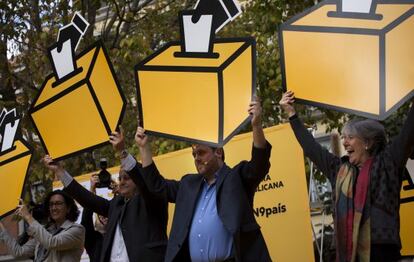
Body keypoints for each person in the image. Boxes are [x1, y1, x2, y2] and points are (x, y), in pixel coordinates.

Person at [123, 98, 272, 261]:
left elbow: (259, 164)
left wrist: (256, 125)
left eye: (201, 153)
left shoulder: (235, 177)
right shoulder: (188, 184)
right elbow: (157, 186)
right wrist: (144, 147)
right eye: (194, 155)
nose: (196, 158)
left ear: (218, 152)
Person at [280, 91, 414, 262]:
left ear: (367, 143)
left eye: (350, 137)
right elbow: (311, 148)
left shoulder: (388, 163)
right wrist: (292, 114)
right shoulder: (338, 170)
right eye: (343, 137)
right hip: (348, 255)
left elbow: (409, 132)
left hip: (382, 253)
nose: (344, 142)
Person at [43, 129, 169, 262]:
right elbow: (88, 199)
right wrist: (60, 171)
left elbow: (144, 183)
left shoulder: (151, 200)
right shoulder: (116, 204)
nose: (122, 182)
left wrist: (122, 152)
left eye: (127, 178)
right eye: (120, 178)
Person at [0, 190, 85, 262]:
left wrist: (28, 216)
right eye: (51, 204)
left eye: (58, 203)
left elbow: (52, 243)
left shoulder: (77, 230)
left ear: (68, 208)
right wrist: (1, 225)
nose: (54, 208)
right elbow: (18, 252)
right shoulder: (46, 231)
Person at [80, 174, 116, 261]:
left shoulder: (122, 231)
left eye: (107, 213)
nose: (104, 216)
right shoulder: (93, 239)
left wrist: (117, 188)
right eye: (101, 214)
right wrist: (92, 189)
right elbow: (86, 220)